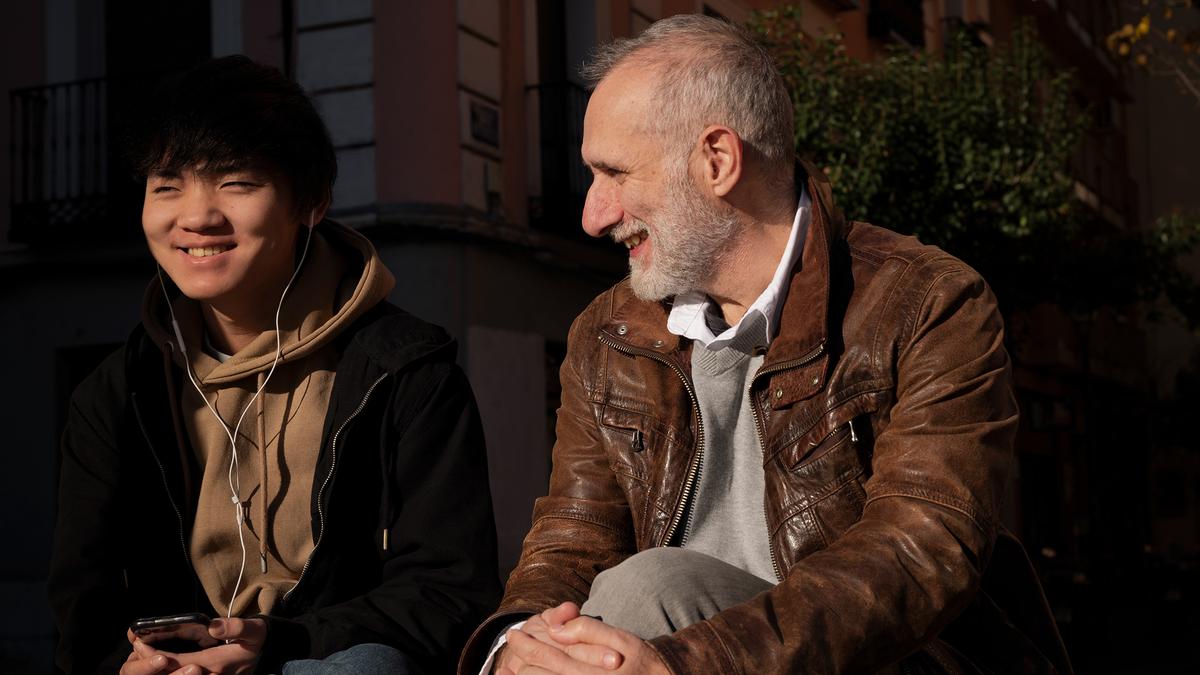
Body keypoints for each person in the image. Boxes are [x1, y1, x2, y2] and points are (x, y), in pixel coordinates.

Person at [460, 15, 1071, 675]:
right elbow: (570, 542)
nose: (593, 214)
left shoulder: (928, 303)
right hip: (639, 657)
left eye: (615, 173)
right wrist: (514, 645)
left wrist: (686, 664)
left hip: (877, 662)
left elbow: (920, 550)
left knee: (649, 587)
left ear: (718, 160)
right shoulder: (608, 335)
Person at [48, 55, 500, 675]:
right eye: (167, 185)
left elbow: (450, 589)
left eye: (236, 182)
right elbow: (83, 603)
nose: (197, 216)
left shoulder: (404, 372)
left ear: (310, 203)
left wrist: (282, 640)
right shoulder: (117, 391)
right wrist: (122, 666)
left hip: (325, 659)